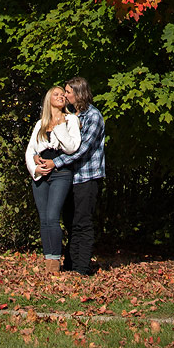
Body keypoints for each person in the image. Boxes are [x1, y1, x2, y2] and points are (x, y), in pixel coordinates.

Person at [35, 75, 105, 276]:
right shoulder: (73, 116)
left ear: (78, 93)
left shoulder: (93, 117)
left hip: (87, 177)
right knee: (70, 222)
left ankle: (82, 267)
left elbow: (80, 150)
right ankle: (70, 264)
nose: (65, 95)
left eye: (67, 92)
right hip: (71, 177)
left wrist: (55, 163)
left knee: (82, 221)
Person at [25, 85, 81, 274]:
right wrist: (35, 165)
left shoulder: (71, 120)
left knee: (52, 217)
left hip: (60, 173)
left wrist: (60, 127)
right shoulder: (40, 123)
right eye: (56, 94)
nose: (61, 97)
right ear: (49, 99)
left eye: (62, 95)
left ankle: (55, 263)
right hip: (41, 174)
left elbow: (72, 147)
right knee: (44, 220)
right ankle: (48, 261)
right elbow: (30, 150)